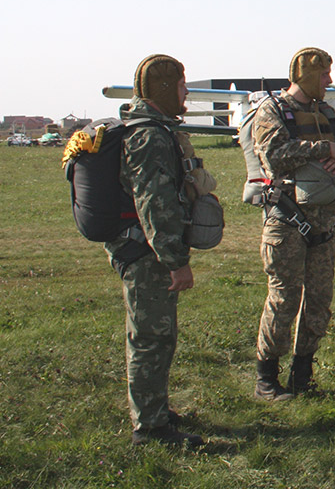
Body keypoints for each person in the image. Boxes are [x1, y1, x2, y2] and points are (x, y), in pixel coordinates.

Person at [253, 48, 335, 399]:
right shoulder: (273, 111)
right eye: (324, 74)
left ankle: (303, 374)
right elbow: (274, 154)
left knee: (319, 299)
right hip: (286, 222)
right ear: (306, 74)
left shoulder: (327, 113)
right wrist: (325, 150)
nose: (329, 81)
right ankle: (267, 377)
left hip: (324, 224)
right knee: (284, 298)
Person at [107, 55, 203, 446]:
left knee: (156, 335)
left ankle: (155, 409)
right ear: (164, 89)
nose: (186, 92)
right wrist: (175, 261)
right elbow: (155, 203)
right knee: (151, 338)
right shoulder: (151, 137)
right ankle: (150, 429)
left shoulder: (150, 129)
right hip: (147, 254)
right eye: (181, 85)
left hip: (144, 249)